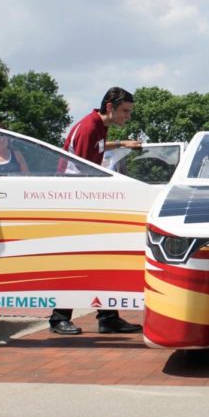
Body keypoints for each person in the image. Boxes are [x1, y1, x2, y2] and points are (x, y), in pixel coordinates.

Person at [49, 87, 143, 335]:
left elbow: (97, 149)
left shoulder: (98, 127)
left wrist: (122, 144)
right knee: (73, 262)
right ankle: (58, 318)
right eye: (125, 111)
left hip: (87, 201)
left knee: (102, 260)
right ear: (110, 107)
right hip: (74, 204)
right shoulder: (89, 126)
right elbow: (83, 169)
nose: (128, 116)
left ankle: (108, 317)